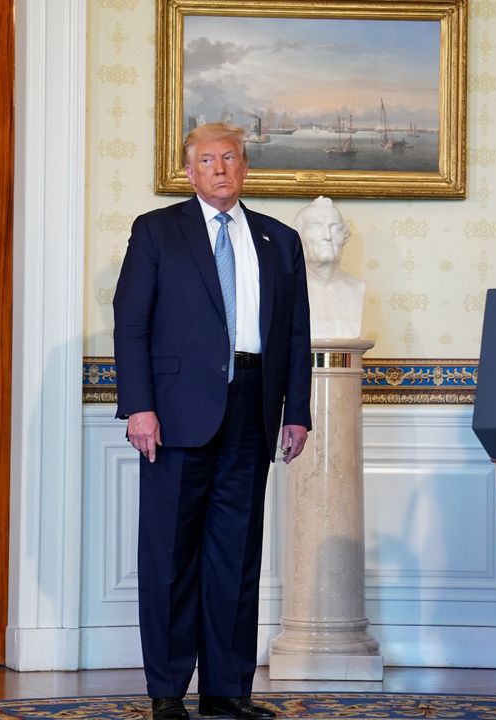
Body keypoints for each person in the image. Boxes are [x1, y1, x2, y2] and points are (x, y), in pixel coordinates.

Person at [112, 122, 313, 720]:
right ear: (190, 171)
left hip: (254, 406)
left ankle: (228, 690)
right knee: (171, 551)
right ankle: (168, 691)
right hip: (174, 414)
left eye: (229, 158)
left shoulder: (280, 240)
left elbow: (298, 333)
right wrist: (139, 406)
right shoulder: (156, 232)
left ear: (245, 167)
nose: (220, 168)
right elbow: (131, 323)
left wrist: (296, 411)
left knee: (236, 551)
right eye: (207, 160)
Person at [295, 196, 365, 338]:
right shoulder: (286, 290)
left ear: (344, 236)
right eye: (316, 226)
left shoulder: (358, 288)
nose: (327, 236)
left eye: (335, 228)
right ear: (298, 237)